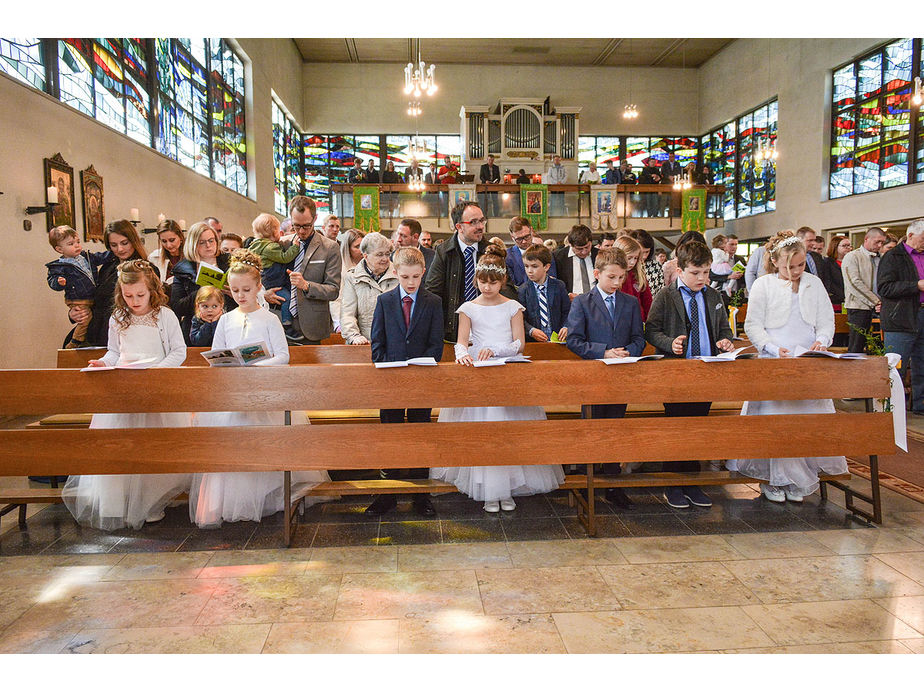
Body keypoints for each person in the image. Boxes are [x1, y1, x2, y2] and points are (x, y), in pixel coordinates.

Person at [188, 249, 328, 528]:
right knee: (234, 446)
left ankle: (268, 498)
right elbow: (217, 353)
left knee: (264, 443)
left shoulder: (270, 319)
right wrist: (226, 361)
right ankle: (232, 501)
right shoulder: (226, 319)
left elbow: (283, 355)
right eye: (235, 290)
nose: (241, 295)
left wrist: (256, 366)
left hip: (265, 391)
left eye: (247, 290)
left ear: (258, 287)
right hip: (234, 393)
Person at [431, 244, 564, 511]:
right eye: (482, 282)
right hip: (479, 376)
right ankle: (489, 490)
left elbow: (519, 344)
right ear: (476, 280)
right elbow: (460, 342)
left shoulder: (512, 306)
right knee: (484, 429)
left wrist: (495, 350)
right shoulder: (468, 307)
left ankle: (508, 488)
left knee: (509, 431)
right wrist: (462, 354)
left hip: (507, 373)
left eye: (493, 282)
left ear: (502, 281)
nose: (487, 287)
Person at [63, 259, 190, 530]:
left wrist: (157, 370)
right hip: (125, 393)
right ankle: (121, 502)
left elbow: (179, 352)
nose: (134, 301)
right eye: (128, 295)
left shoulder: (163, 316)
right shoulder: (117, 317)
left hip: (155, 389)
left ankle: (152, 502)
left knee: (153, 448)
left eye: (140, 295)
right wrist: (104, 363)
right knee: (122, 446)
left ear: (152, 290)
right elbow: (114, 352)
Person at [729, 230, 844, 502]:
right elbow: (753, 324)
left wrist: (821, 340)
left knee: (805, 420)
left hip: (806, 359)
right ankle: (774, 479)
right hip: (775, 359)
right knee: (776, 421)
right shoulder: (764, 285)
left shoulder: (813, 284)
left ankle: (799, 480)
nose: (795, 271)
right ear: (776, 263)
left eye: (800, 265)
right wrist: (769, 347)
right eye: (788, 267)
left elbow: (826, 320)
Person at [645, 241, 735, 510]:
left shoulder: (713, 296)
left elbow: (722, 330)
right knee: (677, 428)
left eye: (706, 272)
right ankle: (672, 483)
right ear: (680, 270)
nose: (702, 278)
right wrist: (669, 342)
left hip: (706, 371)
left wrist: (725, 342)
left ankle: (692, 482)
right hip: (677, 372)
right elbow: (651, 330)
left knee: (697, 429)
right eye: (696, 272)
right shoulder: (666, 295)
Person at [367, 246, 444, 517]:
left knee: (420, 436)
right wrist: (393, 368)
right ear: (395, 272)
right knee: (391, 436)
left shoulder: (433, 302)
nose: (411, 283)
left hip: (422, 382)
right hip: (391, 383)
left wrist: (420, 368)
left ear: (423, 273)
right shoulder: (385, 302)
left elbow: (436, 345)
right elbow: (377, 344)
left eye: (416, 277)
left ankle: (420, 495)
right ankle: (386, 494)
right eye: (405, 277)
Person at [566, 247, 645, 508]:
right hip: (592, 377)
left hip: (620, 378)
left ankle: (613, 484)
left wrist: (628, 352)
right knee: (590, 429)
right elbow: (575, 341)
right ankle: (586, 481)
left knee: (614, 429)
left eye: (621, 277)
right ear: (597, 274)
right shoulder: (582, 302)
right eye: (612, 277)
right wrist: (604, 352)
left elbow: (638, 338)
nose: (617, 283)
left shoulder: (630, 303)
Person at [69, 219, 151, 348]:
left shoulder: (145, 268)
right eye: (114, 245)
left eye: (125, 243)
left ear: (133, 241)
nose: (120, 249)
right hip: (97, 328)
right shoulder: (107, 267)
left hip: (126, 332)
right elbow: (94, 297)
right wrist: (76, 313)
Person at [878, 219, 924, 414]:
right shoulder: (893, 256)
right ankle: (891, 409)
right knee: (896, 367)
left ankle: (920, 407)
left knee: (922, 364)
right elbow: (884, 288)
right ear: (911, 235)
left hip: (922, 314)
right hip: (900, 319)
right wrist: (916, 286)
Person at [425, 201, 489, 342]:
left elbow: (506, 289)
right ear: (459, 227)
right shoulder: (443, 251)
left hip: (487, 327)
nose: (480, 227)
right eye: (473, 222)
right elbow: (432, 292)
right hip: (454, 328)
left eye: (481, 221)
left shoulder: (491, 251)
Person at [285, 195, 342, 344]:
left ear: (315, 219)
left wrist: (307, 286)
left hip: (312, 325)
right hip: (282, 323)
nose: (301, 231)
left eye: (306, 226)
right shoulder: (283, 244)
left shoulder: (330, 247)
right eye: (296, 226)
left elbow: (333, 290)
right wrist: (267, 293)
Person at [46, 225, 109, 348]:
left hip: (91, 296)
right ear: (59, 249)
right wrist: (59, 282)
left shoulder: (86, 257)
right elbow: (52, 280)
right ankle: (76, 341)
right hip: (77, 298)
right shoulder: (60, 266)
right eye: (71, 244)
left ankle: (82, 339)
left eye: (78, 242)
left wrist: (112, 253)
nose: (77, 246)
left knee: (88, 318)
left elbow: (100, 257)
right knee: (85, 318)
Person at [170, 221, 233, 344]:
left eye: (211, 240)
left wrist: (234, 293)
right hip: (197, 330)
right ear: (193, 244)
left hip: (227, 326)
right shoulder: (182, 270)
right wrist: (202, 290)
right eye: (202, 243)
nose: (208, 246)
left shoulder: (229, 262)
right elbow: (177, 307)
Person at [247, 212, 301, 337]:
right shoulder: (270, 247)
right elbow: (285, 257)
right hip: (272, 281)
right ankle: (286, 325)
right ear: (272, 233)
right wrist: (295, 247)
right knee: (286, 298)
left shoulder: (255, 245)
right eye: (278, 230)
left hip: (263, 280)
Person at [340, 232, 397, 345]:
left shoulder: (398, 274)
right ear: (365, 256)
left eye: (387, 254)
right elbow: (347, 313)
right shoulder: (352, 277)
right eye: (379, 254)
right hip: (363, 342)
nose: (385, 259)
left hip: (393, 342)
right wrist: (354, 336)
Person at [842, 227, 885, 354]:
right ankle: (852, 373)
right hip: (859, 307)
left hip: (880, 306)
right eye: (877, 242)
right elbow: (854, 283)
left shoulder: (881, 258)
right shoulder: (853, 256)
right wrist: (876, 302)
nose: (880, 245)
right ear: (867, 239)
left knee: (878, 346)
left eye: (882, 242)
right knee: (857, 346)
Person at [518, 243, 570, 342]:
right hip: (534, 343)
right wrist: (531, 330)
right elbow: (520, 319)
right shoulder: (523, 290)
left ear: (546, 267)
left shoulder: (559, 286)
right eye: (526, 266)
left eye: (534, 266)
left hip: (557, 340)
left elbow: (567, 311)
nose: (529, 271)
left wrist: (566, 326)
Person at [330, 228, 365, 332]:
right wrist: (337, 323)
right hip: (345, 320)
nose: (362, 250)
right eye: (357, 247)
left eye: (363, 246)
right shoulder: (339, 268)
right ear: (347, 248)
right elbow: (336, 298)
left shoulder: (367, 266)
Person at [553, 224, 598, 299]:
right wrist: (566, 296)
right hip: (571, 304)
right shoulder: (558, 257)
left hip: (596, 302)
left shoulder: (599, 255)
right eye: (579, 249)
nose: (584, 252)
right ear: (570, 245)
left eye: (587, 247)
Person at [614, 235, 653, 321]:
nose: (632, 262)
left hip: (638, 322)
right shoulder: (612, 278)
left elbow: (648, 302)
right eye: (629, 258)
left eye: (635, 258)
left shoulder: (639, 275)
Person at [147, 219, 185, 290]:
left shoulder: (192, 257)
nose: (168, 245)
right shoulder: (153, 258)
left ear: (180, 237)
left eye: (172, 240)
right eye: (164, 241)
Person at [822, 234, 851, 312]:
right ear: (835, 247)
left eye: (849, 245)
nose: (848, 248)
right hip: (835, 301)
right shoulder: (827, 263)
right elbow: (827, 282)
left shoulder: (851, 262)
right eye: (844, 246)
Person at [633, 228, 665, 297]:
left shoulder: (656, 266)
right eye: (641, 252)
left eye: (647, 252)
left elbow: (661, 292)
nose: (644, 256)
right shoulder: (629, 266)